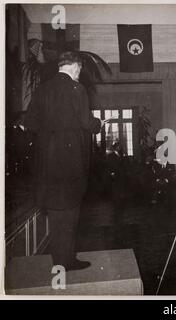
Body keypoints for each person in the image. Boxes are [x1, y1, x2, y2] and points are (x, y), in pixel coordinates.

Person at [25, 51, 104, 271]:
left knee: (56, 214)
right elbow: (88, 124)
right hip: (71, 163)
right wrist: (99, 123)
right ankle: (66, 261)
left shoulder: (42, 89)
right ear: (75, 67)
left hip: (46, 165)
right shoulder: (76, 89)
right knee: (70, 214)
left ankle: (60, 260)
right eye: (79, 70)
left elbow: (30, 122)